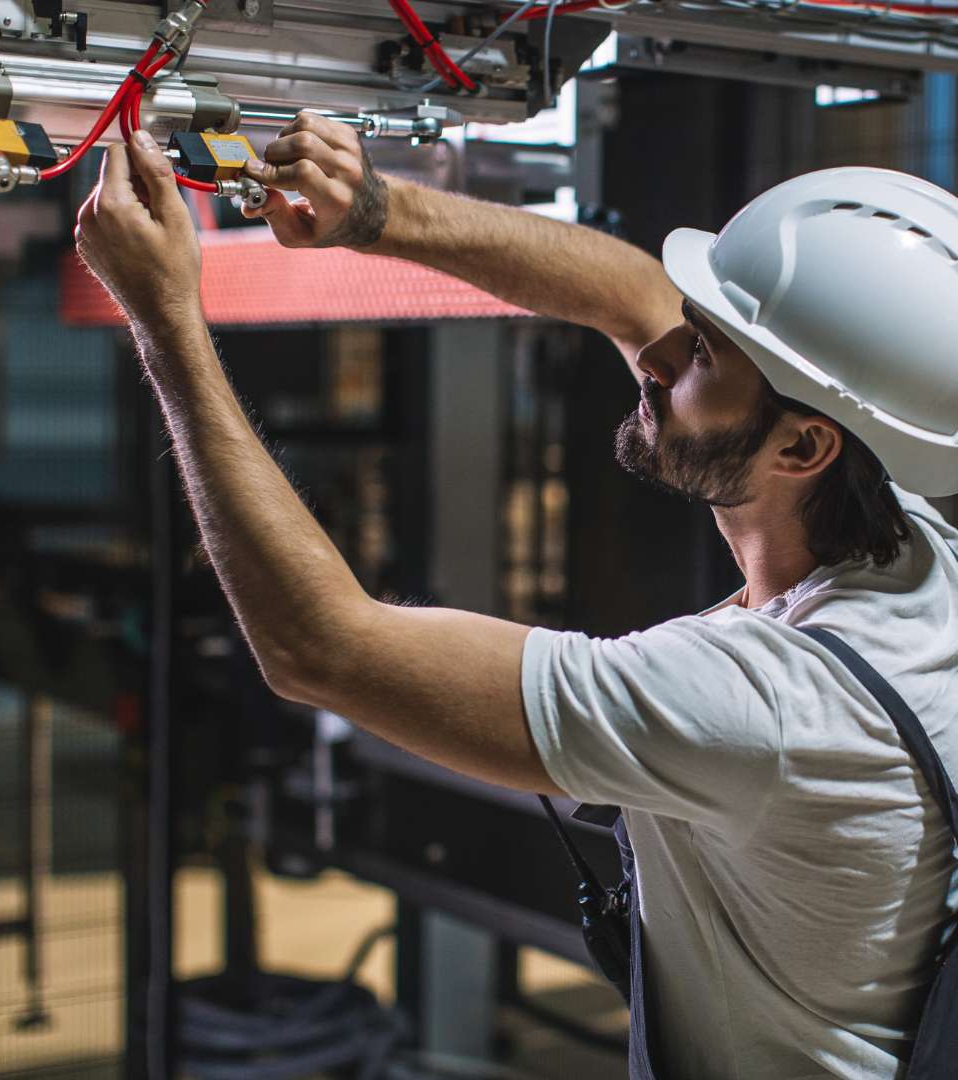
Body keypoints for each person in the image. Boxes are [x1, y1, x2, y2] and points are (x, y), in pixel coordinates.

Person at [74, 118, 958, 1079]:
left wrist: (163, 317)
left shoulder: (764, 706)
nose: (658, 355)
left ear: (800, 448)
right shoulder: (913, 536)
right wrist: (376, 210)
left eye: (700, 354)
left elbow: (320, 646)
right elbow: (632, 294)